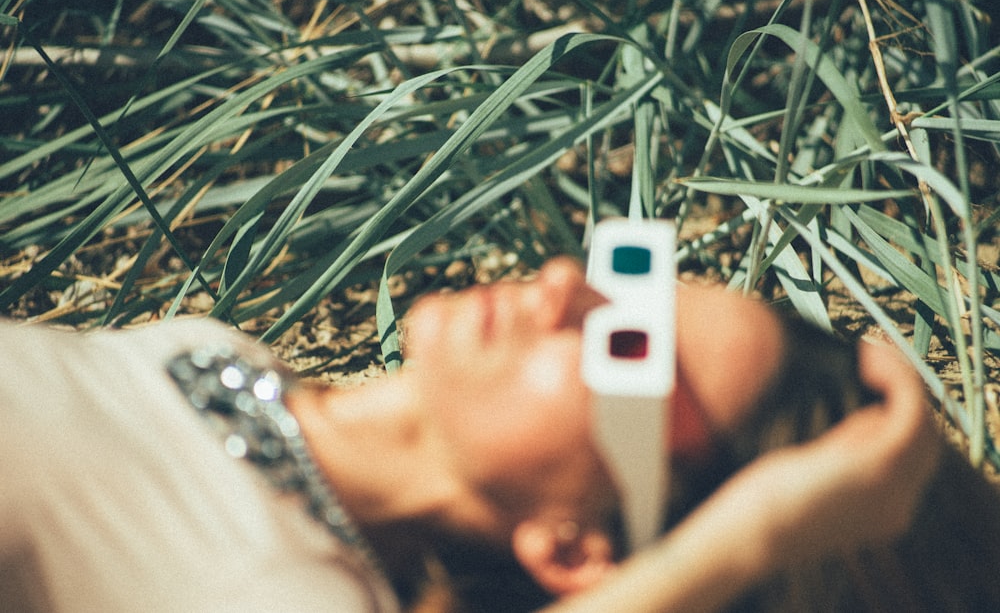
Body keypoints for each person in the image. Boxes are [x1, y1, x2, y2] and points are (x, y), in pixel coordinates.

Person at [0, 256, 941, 612]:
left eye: (627, 343)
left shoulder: (274, 584)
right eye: (632, 271)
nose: (567, 281)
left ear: (574, 547)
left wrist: (749, 538)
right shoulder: (241, 366)